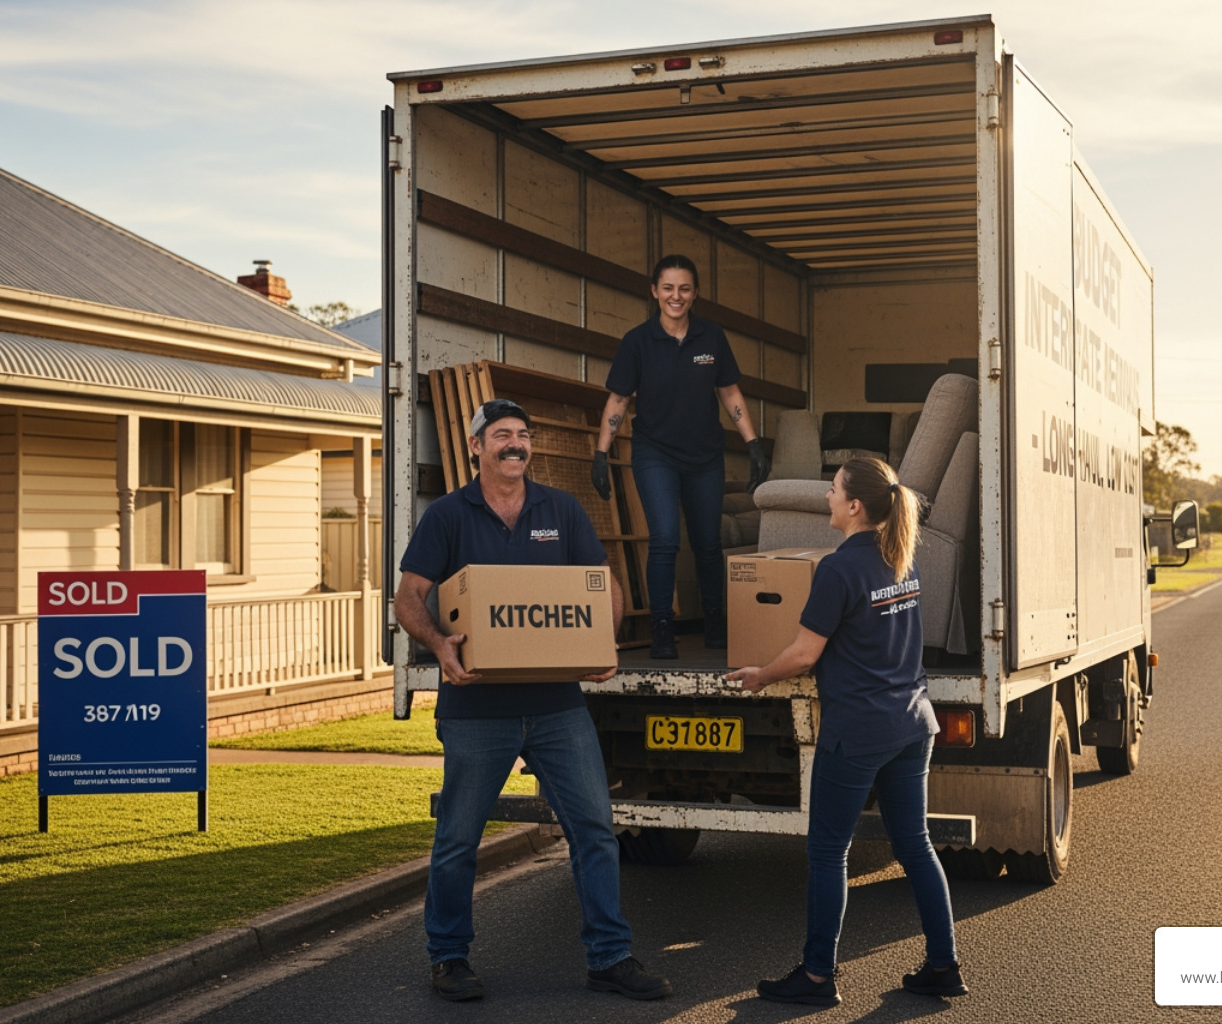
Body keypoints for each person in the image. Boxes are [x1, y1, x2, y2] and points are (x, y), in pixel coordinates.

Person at [394, 398, 672, 1003]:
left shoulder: (560, 509)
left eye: (523, 434)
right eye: (501, 435)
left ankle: (610, 955)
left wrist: (606, 637)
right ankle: (448, 957)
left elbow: (603, 582)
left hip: (557, 707)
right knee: (459, 840)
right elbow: (409, 595)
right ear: (476, 446)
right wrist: (440, 645)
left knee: (596, 830)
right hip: (476, 709)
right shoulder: (448, 515)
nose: (515, 445)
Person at [726, 456, 967, 1006]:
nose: (828, 498)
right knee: (916, 846)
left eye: (834, 491)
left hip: (857, 730)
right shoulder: (900, 558)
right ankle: (943, 965)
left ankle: (816, 977)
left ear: (855, 506)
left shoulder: (838, 569)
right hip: (912, 723)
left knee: (829, 850)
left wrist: (759, 675)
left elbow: (806, 653)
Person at [592, 254, 770, 660]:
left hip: (705, 456)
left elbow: (729, 392)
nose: (677, 296)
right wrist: (601, 453)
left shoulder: (711, 337)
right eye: (668, 288)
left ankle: (714, 623)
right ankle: (662, 629)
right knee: (666, 539)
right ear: (655, 292)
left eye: (685, 288)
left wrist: (754, 443)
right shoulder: (638, 342)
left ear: (695, 294)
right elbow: (619, 398)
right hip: (655, 454)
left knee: (708, 543)